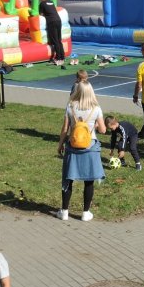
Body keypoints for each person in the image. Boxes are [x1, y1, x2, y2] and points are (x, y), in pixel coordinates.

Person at [56, 81, 106, 221]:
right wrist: (94, 125)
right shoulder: (96, 108)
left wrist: (60, 145)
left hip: (72, 148)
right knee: (89, 181)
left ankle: (64, 211)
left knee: (68, 179)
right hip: (90, 148)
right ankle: (85, 212)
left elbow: (65, 129)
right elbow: (103, 129)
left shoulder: (70, 106)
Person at [40, 0, 66, 66]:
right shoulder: (51, 2)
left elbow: (40, 14)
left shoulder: (42, 4)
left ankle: (58, 58)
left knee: (55, 41)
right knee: (59, 39)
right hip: (58, 20)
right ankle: (62, 56)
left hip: (52, 22)